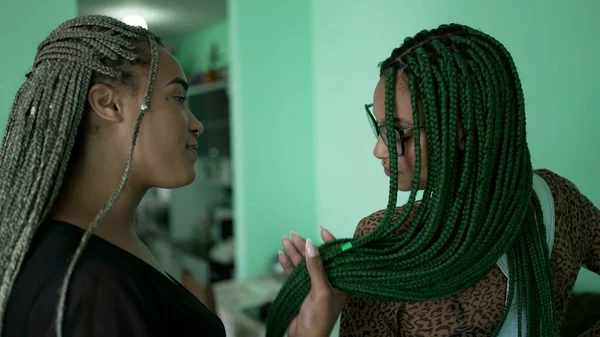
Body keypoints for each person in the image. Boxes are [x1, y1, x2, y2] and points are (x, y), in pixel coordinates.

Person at [0, 15, 342, 337]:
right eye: (177, 97)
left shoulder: (100, 248)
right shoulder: (93, 286)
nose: (197, 123)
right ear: (110, 104)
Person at [278, 24, 600, 336]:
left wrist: (311, 330)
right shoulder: (558, 198)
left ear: (457, 133)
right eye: (379, 128)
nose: (379, 150)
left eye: (395, 132)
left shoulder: (386, 241)